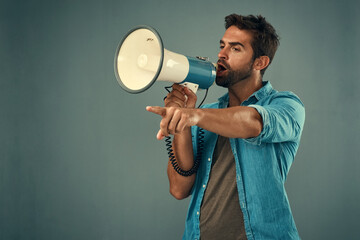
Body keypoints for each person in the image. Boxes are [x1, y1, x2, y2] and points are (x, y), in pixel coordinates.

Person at [146, 14, 305, 240]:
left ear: (260, 62)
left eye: (235, 48)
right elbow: (179, 189)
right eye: (222, 45)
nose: (221, 54)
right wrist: (181, 120)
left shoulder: (286, 105)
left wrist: (194, 115)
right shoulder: (204, 114)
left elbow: (253, 122)